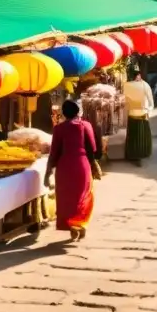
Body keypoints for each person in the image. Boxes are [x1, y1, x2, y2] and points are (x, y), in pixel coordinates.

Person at [45, 100, 98, 241]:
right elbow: (92, 148)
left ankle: (72, 226)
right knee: (84, 195)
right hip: (82, 165)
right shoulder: (86, 126)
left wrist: (48, 172)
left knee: (66, 198)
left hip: (64, 167)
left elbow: (54, 152)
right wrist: (94, 165)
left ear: (63, 113)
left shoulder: (59, 129)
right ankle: (81, 223)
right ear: (78, 111)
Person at [123, 65, 154, 165]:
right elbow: (151, 103)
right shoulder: (145, 85)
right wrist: (148, 110)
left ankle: (133, 154)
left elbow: (124, 101)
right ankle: (143, 153)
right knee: (142, 136)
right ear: (139, 75)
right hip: (142, 114)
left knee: (133, 136)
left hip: (132, 114)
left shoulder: (126, 86)